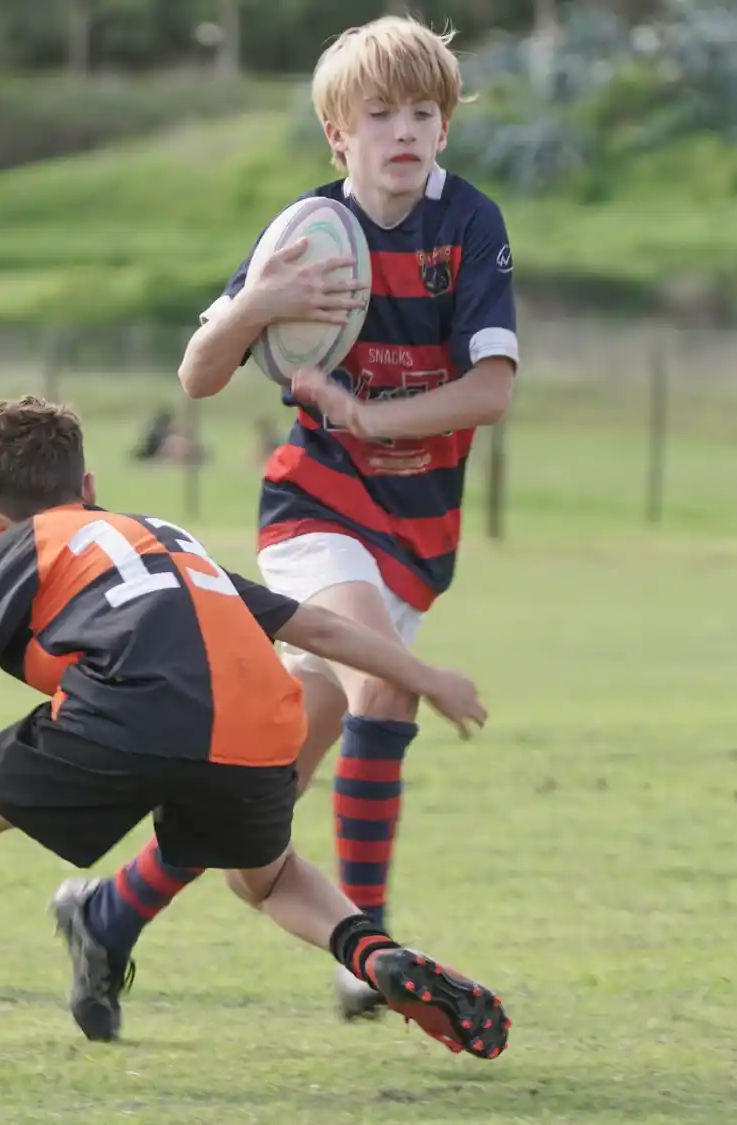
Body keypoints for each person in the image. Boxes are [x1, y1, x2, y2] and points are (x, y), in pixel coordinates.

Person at [0, 395, 510, 1082]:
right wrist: (426, 675)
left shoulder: (18, 545)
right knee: (266, 878)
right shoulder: (162, 536)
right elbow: (312, 623)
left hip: (127, 714)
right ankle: (372, 953)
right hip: (263, 722)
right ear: (91, 487)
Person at [54, 12, 521, 1027]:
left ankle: (108, 914)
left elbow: (490, 391)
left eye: (424, 112)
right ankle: (372, 952)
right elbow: (199, 375)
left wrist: (374, 412)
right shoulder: (308, 234)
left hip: (417, 531)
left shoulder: (468, 226)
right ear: (337, 134)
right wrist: (251, 304)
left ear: (445, 129)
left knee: (263, 781)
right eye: (380, 113)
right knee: (381, 690)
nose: (405, 130)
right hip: (315, 507)